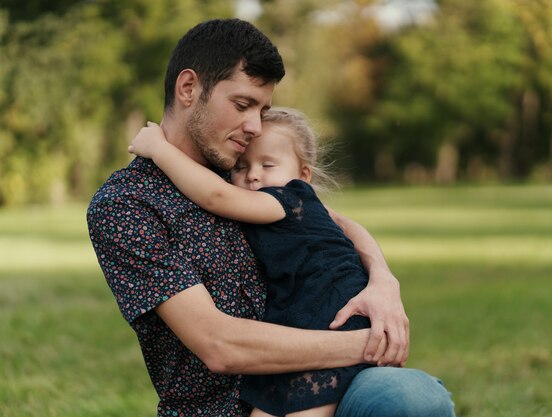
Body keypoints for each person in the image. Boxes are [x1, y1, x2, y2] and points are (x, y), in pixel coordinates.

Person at [87, 18, 455, 417]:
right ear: (189, 88)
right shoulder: (126, 204)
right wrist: (371, 342)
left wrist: (384, 281)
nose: (254, 126)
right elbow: (219, 345)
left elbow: (331, 220)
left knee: (411, 399)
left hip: (322, 382)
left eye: (262, 109)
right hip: (220, 408)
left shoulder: (244, 173)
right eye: (243, 105)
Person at [128, 108, 374, 416]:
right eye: (242, 166)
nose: (253, 174)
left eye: (267, 164)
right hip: (296, 323)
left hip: (333, 316)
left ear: (304, 176)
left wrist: (159, 149)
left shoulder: (289, 199)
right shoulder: (276, 205)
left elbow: (216, 195)